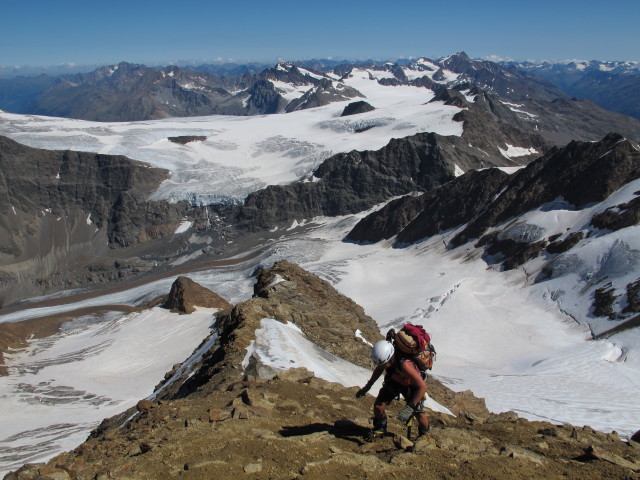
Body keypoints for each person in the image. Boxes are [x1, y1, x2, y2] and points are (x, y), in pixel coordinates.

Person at [356, 338, 430, 439]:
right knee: (378, 406)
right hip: (395, 380)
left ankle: (425, 435)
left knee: (419, 414)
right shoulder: (386, 359)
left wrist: (410, 406)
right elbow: (379, 369)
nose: (383, 366)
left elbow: (422, 387)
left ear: (390, 358)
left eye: (384, 364)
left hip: (412, 386)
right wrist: (368, 386)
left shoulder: (405, 365)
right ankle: (380, 427)